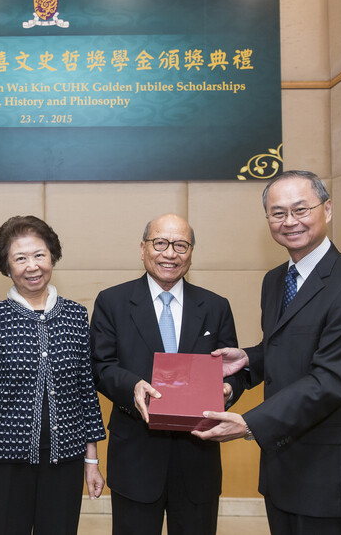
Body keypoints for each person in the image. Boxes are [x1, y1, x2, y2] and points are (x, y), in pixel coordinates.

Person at [194, 170, 341, 535]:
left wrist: (252, 423)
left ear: (327, 210)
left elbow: (330, 378)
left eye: (301, 209)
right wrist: (251, 358)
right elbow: (288, 346)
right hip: (283, 464)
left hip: (332, 471)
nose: (290, 222)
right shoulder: (275, 280)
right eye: (278, 213)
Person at [89, 213, 244, 535]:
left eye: (180, 245)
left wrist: (227, 389)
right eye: (160, 243)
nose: (170, 253)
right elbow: (100, 366)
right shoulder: (113, 302)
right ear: (143, 248)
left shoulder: (215, 306)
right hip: (136, 453)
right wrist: (132, 386)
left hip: (197, 456)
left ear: (191, 252)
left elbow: (234, 369)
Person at [0, 215, 106, 534]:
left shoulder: (76, 316)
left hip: (65, 458)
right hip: (3, 461)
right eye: (20, 258)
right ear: (7, 267)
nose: (32, 266)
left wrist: (91, 462)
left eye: (39, 255)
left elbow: (86, 391)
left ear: (52, 257)